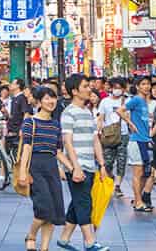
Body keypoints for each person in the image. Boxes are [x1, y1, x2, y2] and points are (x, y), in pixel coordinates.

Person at [56, 74, 110, 251]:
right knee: (84, 203)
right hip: (77, 167)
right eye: (85, 86)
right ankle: (89, 242)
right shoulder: (68, 113)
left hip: (90, 165)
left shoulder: (87, 112)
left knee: (78, 202)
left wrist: (101, 165)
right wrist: (75, 168)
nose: (90, 89)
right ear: (74, 91)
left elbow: (95, 140)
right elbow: (67, 142)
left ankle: (64, 239)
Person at [17, 86, 69, 251]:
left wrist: (72, 167)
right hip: (35, 167)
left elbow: (57, 151)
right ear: (39, 101)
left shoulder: (55, 124)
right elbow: (27, 148)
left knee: (53, 211)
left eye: (53, 98)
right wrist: (23, 172)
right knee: (44, 207)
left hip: (51, 166)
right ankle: (31, 234)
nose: (51, 101)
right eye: (46, 98)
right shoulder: (30, 122)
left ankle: (44, 248)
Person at [116, 75, 151, 211]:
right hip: (136, 140)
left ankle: (138, 199)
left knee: (144, 173)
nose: (146, 86)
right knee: (138, 173)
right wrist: (130, 123)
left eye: (148, 84)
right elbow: (120, 110)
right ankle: (138, 201)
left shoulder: (143, 101)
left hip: (144, 140)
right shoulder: (136, 99)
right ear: (137, 87)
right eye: (143, 84)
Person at [7, 78, 31, 159]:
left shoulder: (21, 98)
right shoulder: (14, 98)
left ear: (18, 86)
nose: (10, 85)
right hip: (12, 128)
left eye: (13, 83)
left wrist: (22, 128)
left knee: (18, 153)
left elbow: (26, 114)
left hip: (18, 130)